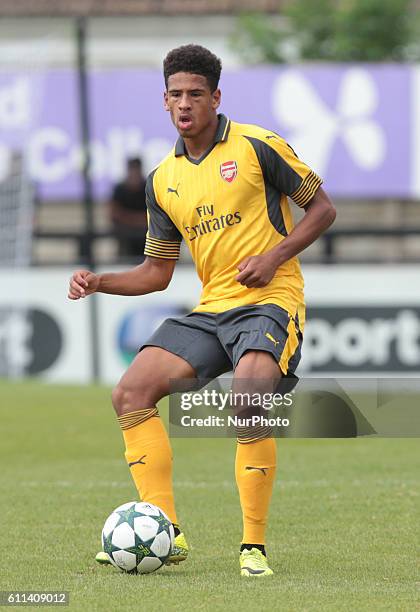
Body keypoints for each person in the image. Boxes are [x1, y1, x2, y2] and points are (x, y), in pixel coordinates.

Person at [68, 44, 336, 577]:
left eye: (195, 93)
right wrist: (101, 281)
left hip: (270, 300)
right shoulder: (162, 180)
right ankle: (166, 531)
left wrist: (274, 255)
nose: (185, 103)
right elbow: (157, 273)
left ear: (216, 97)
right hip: (213, 309)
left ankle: (252, 546)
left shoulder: (259, 147)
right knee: (130, 391)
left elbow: (323, 210)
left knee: (249, 399)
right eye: (175, 95)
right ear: (164, 102)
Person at [108, 157, 147, 259]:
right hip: (125, 231)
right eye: (132, 169)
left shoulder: (148, 187)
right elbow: (114, 213)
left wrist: (139, 220)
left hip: (146, 232)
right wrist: (135, 220)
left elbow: (156, 212)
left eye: (136, 169)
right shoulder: (120, 189)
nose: (134, 173)